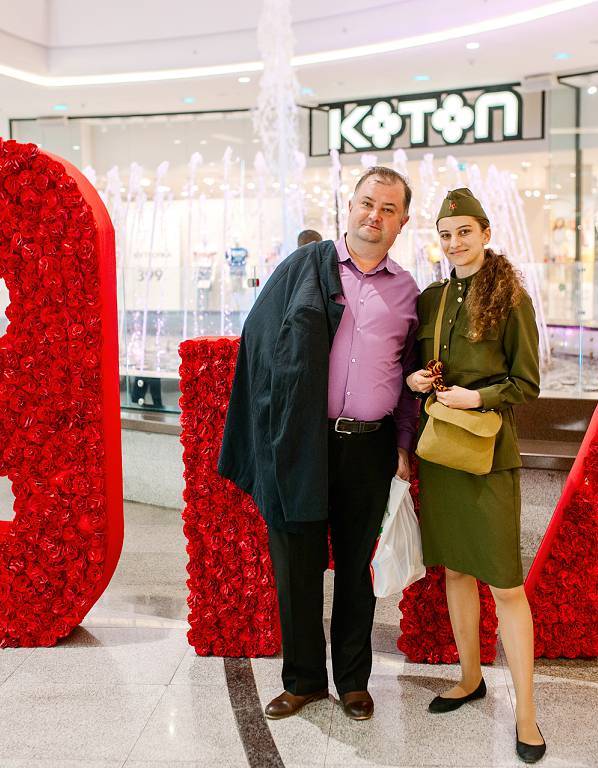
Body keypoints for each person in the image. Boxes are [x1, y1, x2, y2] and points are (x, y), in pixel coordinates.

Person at [218, 166, 419, 723]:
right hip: (302, 442)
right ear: (348, 207)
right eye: (366, 203)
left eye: (388, 209)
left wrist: (404, 443)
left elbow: (411, 376)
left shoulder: (408, 292)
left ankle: (353, 682)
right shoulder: (302, 269)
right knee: (296, 565)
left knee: (357, 570)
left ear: (403, 222)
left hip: (369, 448)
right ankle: (303, 680)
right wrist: (268, 434)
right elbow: (259, 349)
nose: (374, 215)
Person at [405, 188, 546, 764]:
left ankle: (527, 715)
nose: (454, 242)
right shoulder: (432, 298)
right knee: (456, 570)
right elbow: (415, 367)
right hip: (441, 452)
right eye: (445, 234)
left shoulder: (511, 298)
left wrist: (479, 396)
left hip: (488, 456)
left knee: (506, 585)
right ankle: (469, 678)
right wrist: (418, 380)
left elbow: (527, 384)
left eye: (464, 231)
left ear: (486, 233)